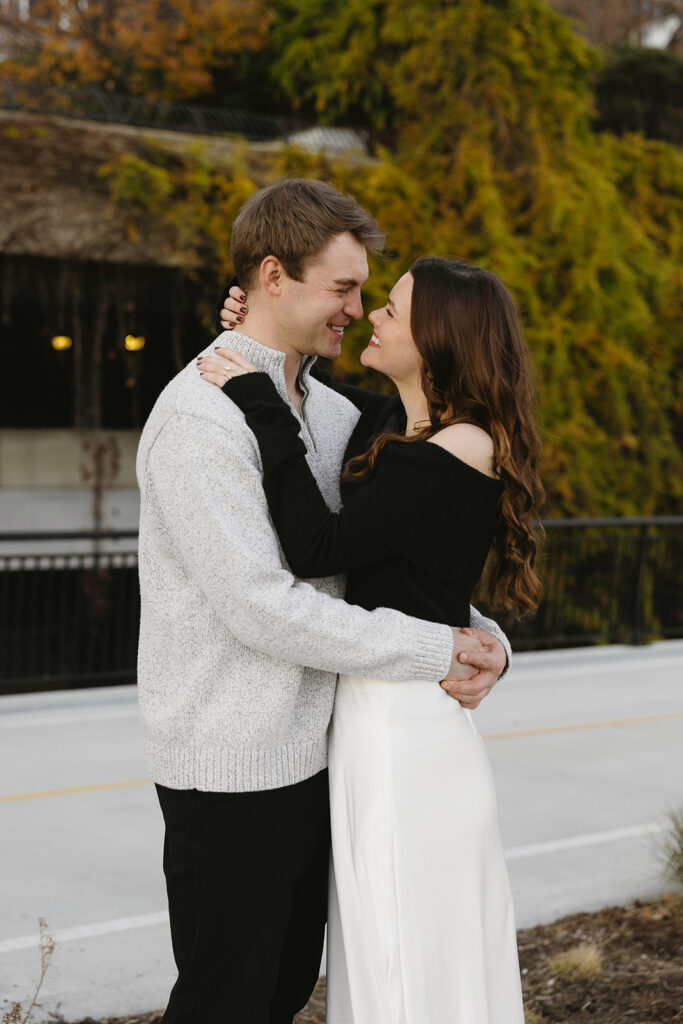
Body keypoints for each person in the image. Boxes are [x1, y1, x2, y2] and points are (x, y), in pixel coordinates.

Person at [136, 178, 511, 1024]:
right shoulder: (201, 419)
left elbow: (402, 548)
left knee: (277, 992)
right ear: (274, 276)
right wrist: (434, 651)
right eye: (343, 288)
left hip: (314, 753)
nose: (357, 307)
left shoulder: (330, 411)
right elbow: (261, 605)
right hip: (230, 765)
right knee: (224, 1000)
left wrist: (480, 634)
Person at [202, 254, 544, 1023]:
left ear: (440, 336)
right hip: (374, 715)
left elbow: (317, 546)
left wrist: (256, 393)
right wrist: (255, 331)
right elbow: (311, 397)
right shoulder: (397, 422)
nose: (373, 317)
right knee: (383, 943)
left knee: (403, 949)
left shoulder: (461, 447)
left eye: (392, 307)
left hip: (405, 736)